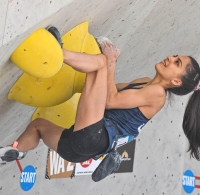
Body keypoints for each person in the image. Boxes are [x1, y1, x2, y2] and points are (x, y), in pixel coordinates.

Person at [1, 26, 200, 166]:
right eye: (175, 56)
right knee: (38, 126)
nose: (170, 58)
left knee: (100, 64)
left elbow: (109, 100)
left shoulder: (157, 95)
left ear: (176, 81)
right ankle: (15, 151)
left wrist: (110, 60)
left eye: (177, 63)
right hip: (82, 148)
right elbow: (107, 88)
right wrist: (109, 62)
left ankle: (54, 50)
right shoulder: (144, 82)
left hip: (95, 136)